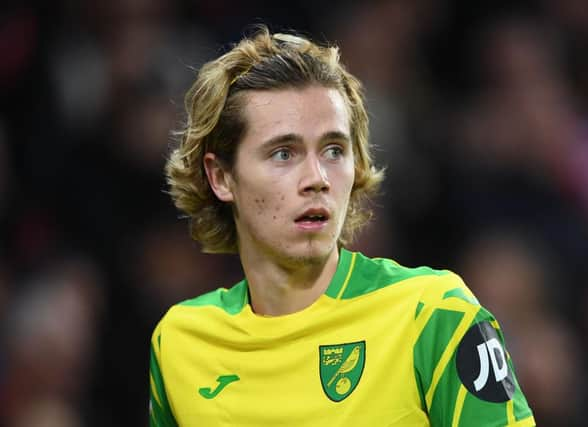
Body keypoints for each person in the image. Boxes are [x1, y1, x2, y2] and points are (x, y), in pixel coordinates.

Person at [149, 27, 535, 427]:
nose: (317, 178)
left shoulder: (435, 313)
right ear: (221, 177)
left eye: (334, 150)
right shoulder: (180, 342)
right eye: (284, 153)